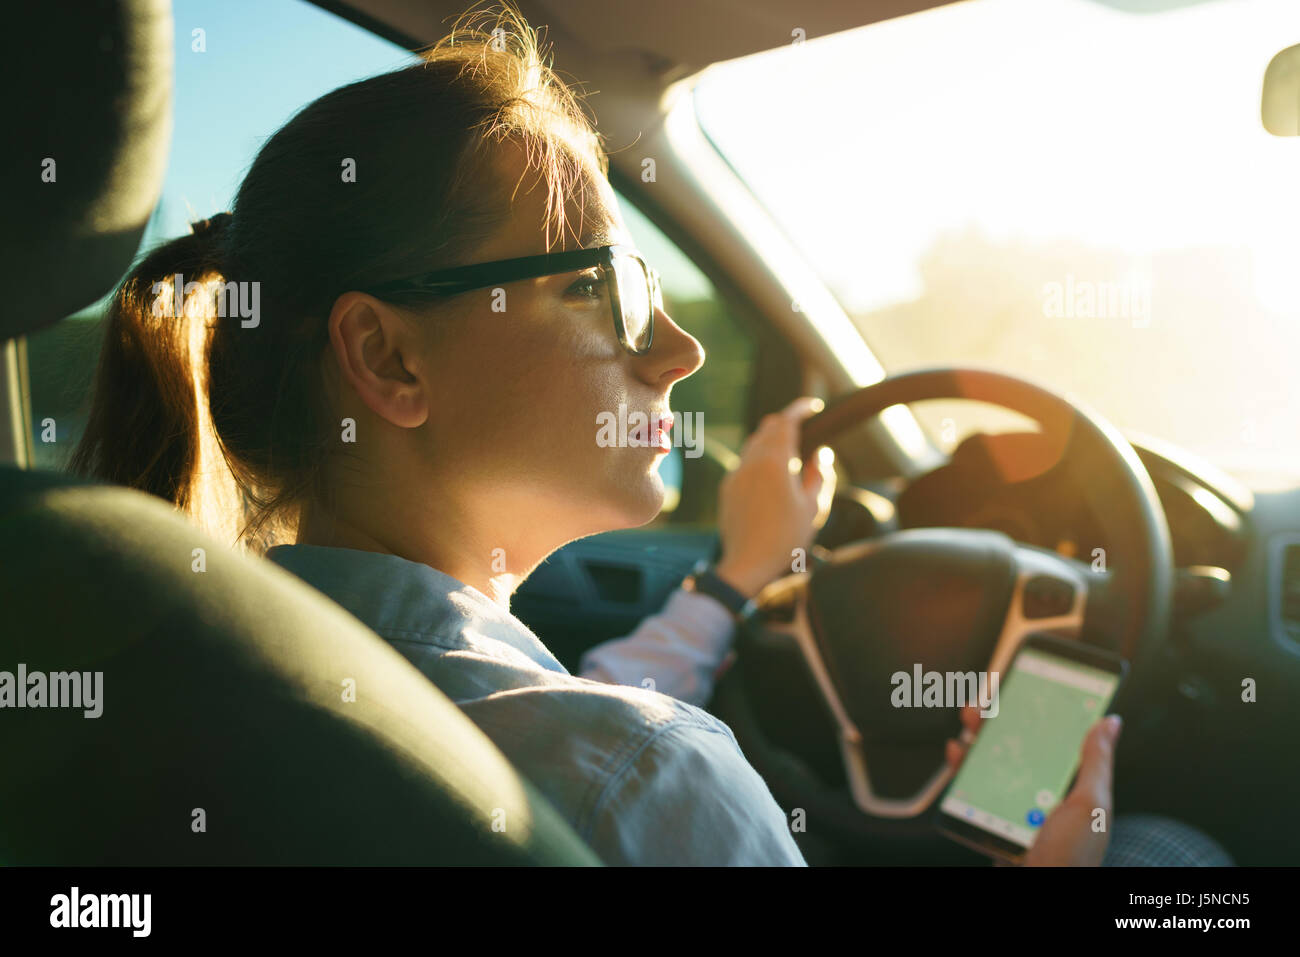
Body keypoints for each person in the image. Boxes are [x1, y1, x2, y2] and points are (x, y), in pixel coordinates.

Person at [70, 3, 1228, 866]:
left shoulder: (206, 685)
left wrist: (732, 581)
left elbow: (554, 693)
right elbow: (603, 736)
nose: (676, 350)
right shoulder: (651, 785)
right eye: (605, 285)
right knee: (1170, 862)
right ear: (388, 359)